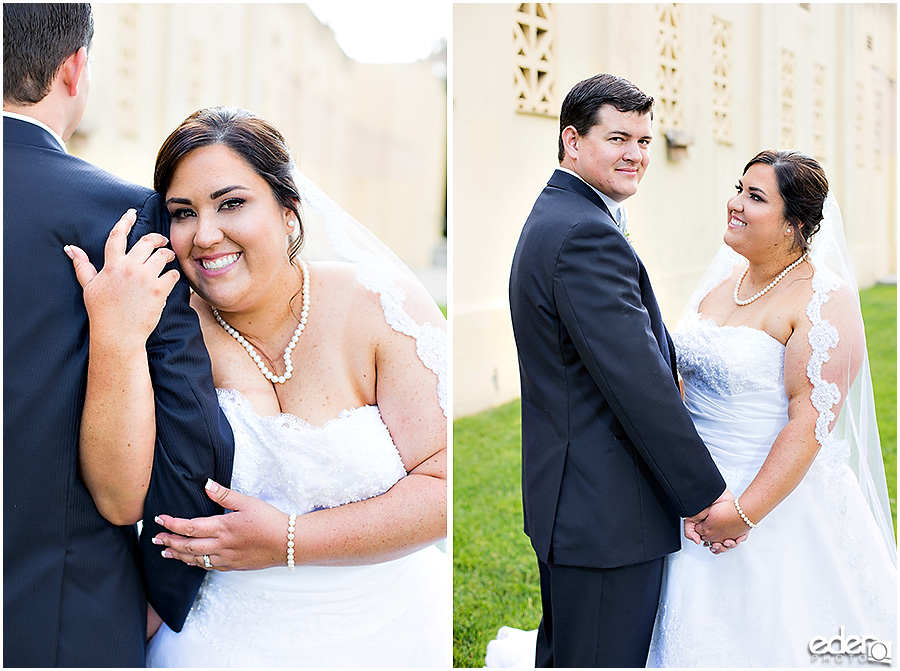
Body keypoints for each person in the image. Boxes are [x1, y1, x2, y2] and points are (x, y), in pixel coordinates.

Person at [66, 106, 450, 667]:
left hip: (393, 624)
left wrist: (291, 540)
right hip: (220, 633)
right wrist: (116, 338)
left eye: (232, 203)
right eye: (182, 213)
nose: (204, 235)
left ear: (288, 211)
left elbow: (443, 485)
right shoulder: (165, 329)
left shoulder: (378, 306)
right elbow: (118, 500)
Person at [3, 4, 234, 666]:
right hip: (69, 623)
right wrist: (166, 590)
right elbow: (191, 434)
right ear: (74, 68)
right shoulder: (122, 222)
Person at [504, 73, 736, 668]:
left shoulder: (563, 213)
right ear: (572, 140)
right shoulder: (584, 232)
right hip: (607, 511)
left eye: (643, 141)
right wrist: (705, 496)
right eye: (618, 138)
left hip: (576, 500)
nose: (635, 154)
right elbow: (636, 385)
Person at [647, 150, 897, 666]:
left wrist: (743, 514)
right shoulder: (723, 284)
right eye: (739, 189)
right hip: (690, 491)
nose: (734, 204)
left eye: (755, 197)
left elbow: (810, 418)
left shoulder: (824, 300)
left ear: (795, 224)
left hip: (770, 498)